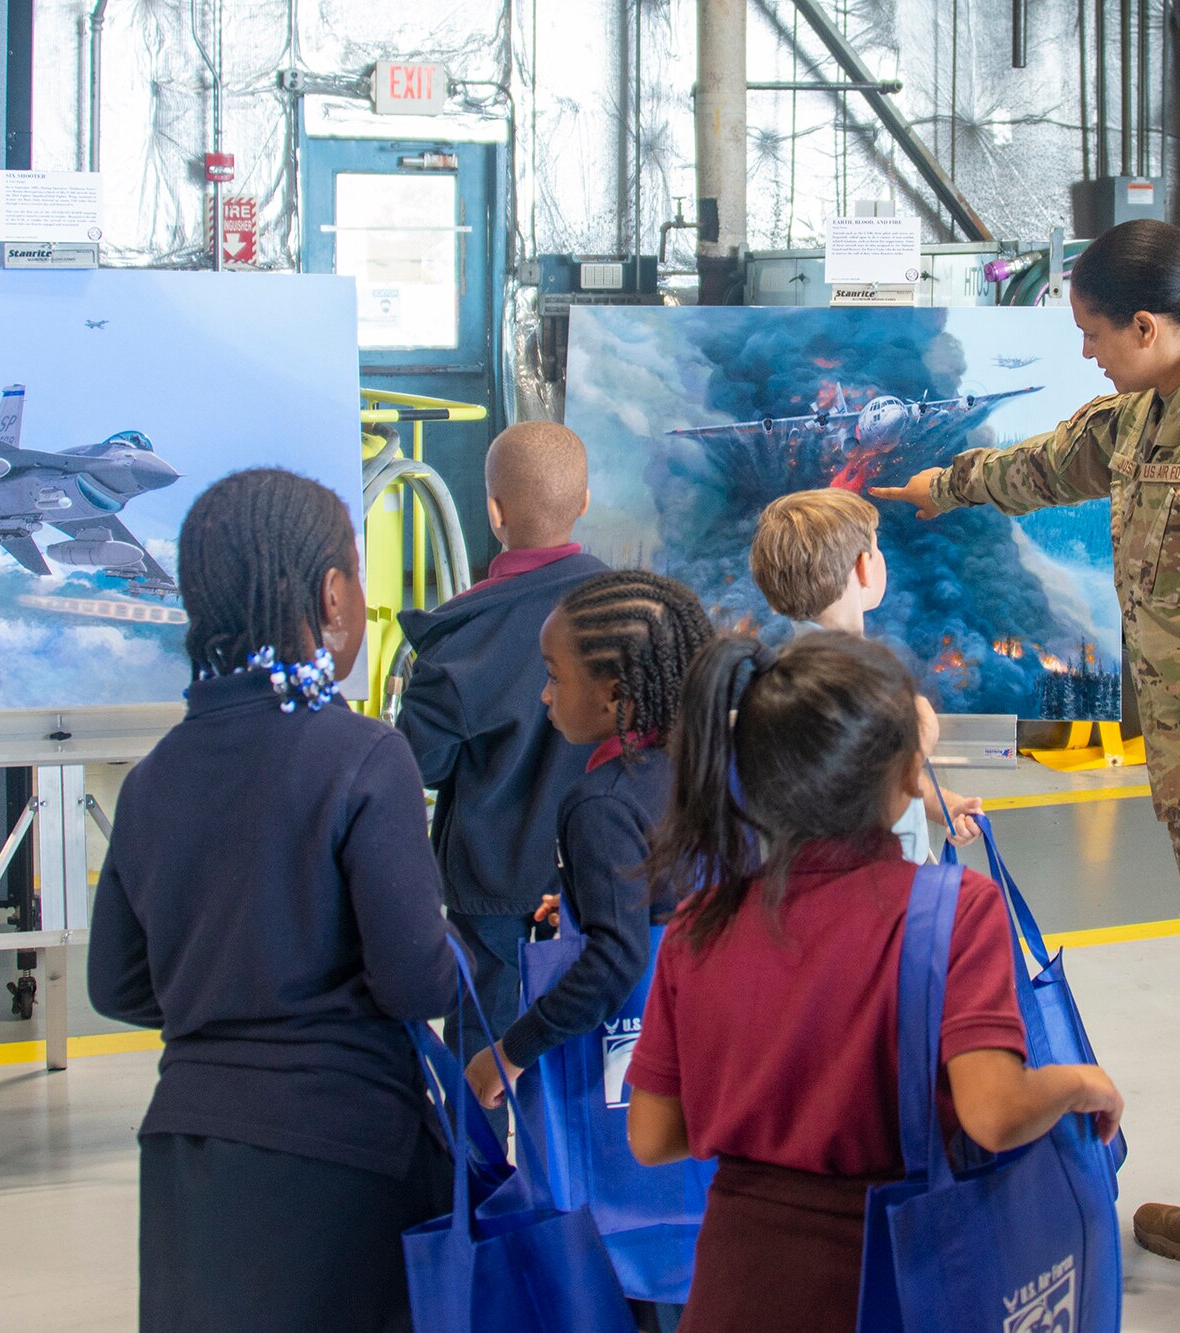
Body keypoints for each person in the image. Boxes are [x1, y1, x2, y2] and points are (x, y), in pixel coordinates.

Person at [872, 218, 1180, 1257]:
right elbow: (1044, 466)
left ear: (1143, 323)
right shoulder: (1149, 412)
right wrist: (935, 491)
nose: (1083, 350)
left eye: (1091, 331)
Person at [622, 633, 1125, 1333]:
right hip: (891, 1277)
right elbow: (994, 1111)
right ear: (905, 779)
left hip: (734, 1282)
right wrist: (1080, 1083)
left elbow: (651, 1134)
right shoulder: (954, 911)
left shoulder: (698, 924)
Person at [88, 469, 457, 1332]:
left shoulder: (153, 778)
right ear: (334, 596)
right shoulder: (364, 756)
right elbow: (415, 981)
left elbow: (115, 984)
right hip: (342, 1154)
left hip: (185, 1155)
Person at [396, 421, 607, 1086]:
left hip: (491, 894)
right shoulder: (630, 609)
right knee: (590, 1063)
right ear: (584, 502)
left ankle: (484, 1184)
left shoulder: (457, 639)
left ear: (493, 511)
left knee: (480, 1064)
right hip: (606, 878)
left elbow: (418, 766)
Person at [462, 570, 714, 1103]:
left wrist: (510, 1051)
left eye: (555, 676)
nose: (543, 695)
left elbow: (616, 959)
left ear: (616, 694)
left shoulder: (600, 803)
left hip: (637, 1064)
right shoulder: (707, 765)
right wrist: (585, 900)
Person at [748, 486, 982, 859]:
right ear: (863, 568)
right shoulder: (833, 686)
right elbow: (859, 794)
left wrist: (944, 806)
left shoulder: (791, 674)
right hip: (878, 897)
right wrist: (918, 740)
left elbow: (860, 766)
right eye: (876, 548)